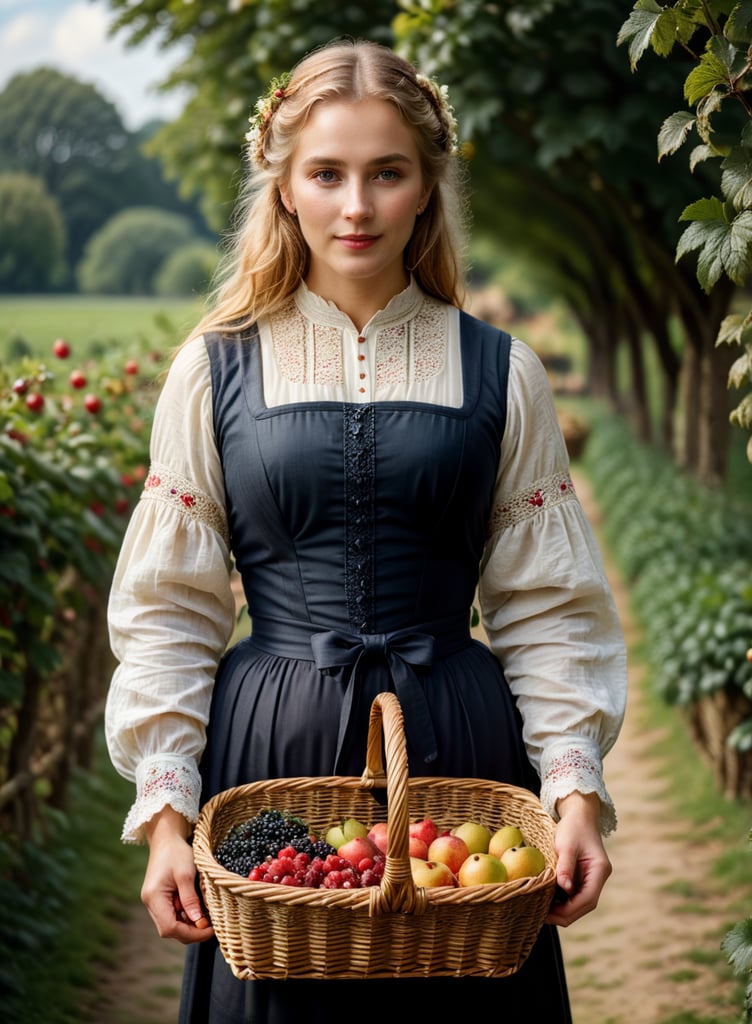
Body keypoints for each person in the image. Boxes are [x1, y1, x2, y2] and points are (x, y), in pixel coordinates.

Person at [105, 37, 626, 1023]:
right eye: (328, 174)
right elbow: (169, 607)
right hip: (268, 764)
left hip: (463, 756)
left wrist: (574, 795)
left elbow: (548, 603)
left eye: (387, 173)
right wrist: (167, 820)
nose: (357, 206)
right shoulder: (213, 368)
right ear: (285, 186)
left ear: (426, 188)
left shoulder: (499, 368)